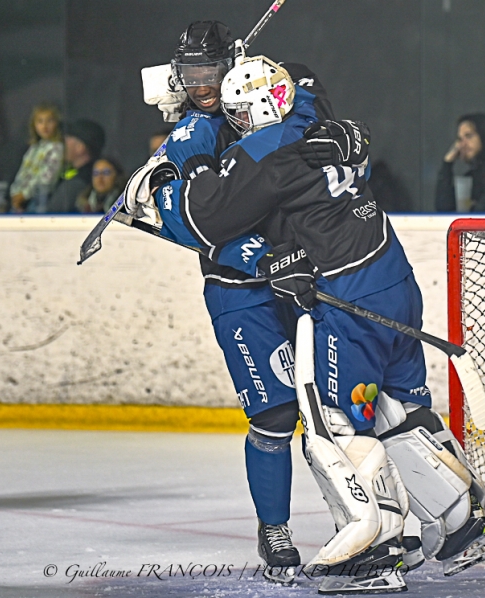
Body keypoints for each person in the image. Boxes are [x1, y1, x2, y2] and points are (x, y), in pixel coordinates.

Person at [130, 53, 485, 593]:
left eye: (238, 110)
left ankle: (371, 551)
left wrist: (185, 165)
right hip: (394, 280)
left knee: (333, 424)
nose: (232, 119)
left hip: (347, 297)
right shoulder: (315, 123)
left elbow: (207, 216)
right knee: (400, 407)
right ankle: (462, 524)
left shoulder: (262, 149)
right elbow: (310, 86)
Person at [138, 21, 362, 586]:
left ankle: (368, 521)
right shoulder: (192, 136)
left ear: (232, 63)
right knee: (275, 416)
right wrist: (262, 260)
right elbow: (198, 223)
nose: (201, 85)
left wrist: (285, 88)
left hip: (311, 273)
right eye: (189, 76)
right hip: (243, 294)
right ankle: (275, 528)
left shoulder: (275, 88)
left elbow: (315, 116)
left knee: (339, 406)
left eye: (209, 72)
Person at [9, 102, 63, 213]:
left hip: (39, 201)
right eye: (40, 121)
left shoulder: (57, 148)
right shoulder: (34, 148)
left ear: (57, 123)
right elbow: (23, 173)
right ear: (34, 125)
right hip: (21, 200)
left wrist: (24, 195)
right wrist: (15, 193)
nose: (45, 126)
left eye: (50, 121)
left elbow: (47, 178)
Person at [45, 118, 105, 213]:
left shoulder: (78, 183)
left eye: (66, 140)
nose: (61, 145)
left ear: (80, 147)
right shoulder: (82, 176)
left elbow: (50, 215)